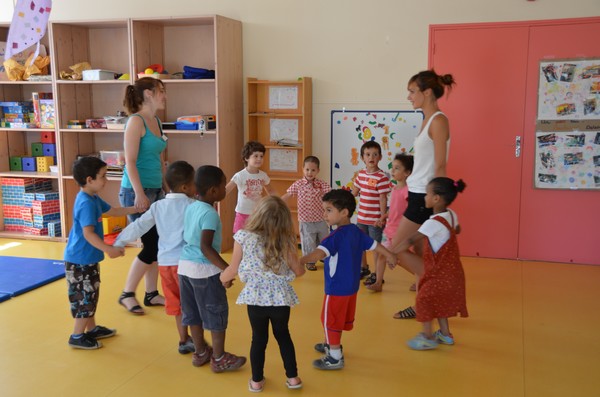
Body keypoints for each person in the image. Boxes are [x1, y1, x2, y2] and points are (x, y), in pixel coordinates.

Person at [300, 189, 397, 370]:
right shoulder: (356, 231)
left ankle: (335, 356)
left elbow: (317, 254)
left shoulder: (334, 237)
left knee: (329, 320)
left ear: (344, 212)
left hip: (336, 289)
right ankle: (330, 343)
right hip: (351, 288)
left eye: (329, 210)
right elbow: (375, 245)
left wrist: (300, 260)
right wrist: (390, 255)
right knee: (335, 319)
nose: (324, 214)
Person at [390, 69, 456, 320]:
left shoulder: (439, 120)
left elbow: (440, 165)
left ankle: (436, 282)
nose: (409, 97)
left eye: (412, 91)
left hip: (424, 198)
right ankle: (423, 304)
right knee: (419, 253)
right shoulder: (427, 119)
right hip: (416, 193)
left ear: (427, 92)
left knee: (395, 249)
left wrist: (436, 202)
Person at [221, 196, 305, 392]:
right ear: (283, 219)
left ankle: (256, 381)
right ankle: (293, 378)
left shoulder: (243, 237)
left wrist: (222, 279)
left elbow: (232, 269)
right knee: (283, 336)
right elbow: (299, 271)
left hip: (255, 298)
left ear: (257, 214)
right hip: (280, 299)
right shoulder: (284, 241)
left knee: (258, 339)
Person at [114, 161, 197, 354]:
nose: (196, 187)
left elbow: (138, 226)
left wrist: (119, 241)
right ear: (185, 187)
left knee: (177, 305)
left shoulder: (158, 206)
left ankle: (184, 340)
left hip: (166, 265)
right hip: (186, 265)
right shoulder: (193, 205)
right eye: (194, 183)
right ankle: (198, 343)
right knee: (192, 305)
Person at [64, 156, 138, 349]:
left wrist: (137, 208)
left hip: (86, 259)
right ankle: (77, 336)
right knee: (85, 298)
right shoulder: (86, 203)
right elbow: (88, 234)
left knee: (90, 294)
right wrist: (109, 249)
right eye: (103, 176)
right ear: (90, 180)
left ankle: (91, 329)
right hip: (79, 260)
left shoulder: (93, 198)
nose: (106, 180)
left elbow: (112, 211)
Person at [178, 165, 246, 372]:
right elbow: (205, 246)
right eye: (222, 185)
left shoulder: (191, 207)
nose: (225, 188)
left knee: (193, 314)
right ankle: (219, 358)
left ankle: (200, 353)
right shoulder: (210, 214)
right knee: (215, 313)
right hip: (204, 272)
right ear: (213, 191)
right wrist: (228, 269)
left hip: (185, 268)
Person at [390, 177, 468, 350]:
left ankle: (427, 336)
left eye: (427, 194)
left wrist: (391, 253)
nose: (424, 197)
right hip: (453, 271)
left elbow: (410, 239)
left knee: (424, 299)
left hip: (438, 272)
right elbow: (458, 229)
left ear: (436, 199)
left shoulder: (432, 223)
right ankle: (445, 335)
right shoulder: (452, 215)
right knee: (438, 302)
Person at [118, 77, 169, 315]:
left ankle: (151, 293)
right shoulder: (135, 122)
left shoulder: (156, 120)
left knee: (156, 244)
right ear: (148, 93)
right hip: (136, 192)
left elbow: (159, 160)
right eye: (161, 91)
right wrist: (139, 193)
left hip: (156, 190)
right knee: (152, 245)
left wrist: (165, 187)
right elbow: (129, 161)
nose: (164, 96)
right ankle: (127, 293)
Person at [364, 154, 413, 292]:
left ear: (407, 173)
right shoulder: (395, 189)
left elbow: (410, 211)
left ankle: (420, 276)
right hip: (389, 230)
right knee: (381, 255)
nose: (393, 171)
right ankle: (378, 282)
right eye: (393, 167)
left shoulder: (407, 191)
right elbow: (394, 209)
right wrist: (383, 216)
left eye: (397, 168)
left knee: (400, 259)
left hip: (399, 232)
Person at [282, 155, 331, 271]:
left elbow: (331, 195)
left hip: (320, 219)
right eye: (307, 169)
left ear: (318, 171)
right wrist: (275, 202)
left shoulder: (321, 184)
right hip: (306, 221)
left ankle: (324, 257)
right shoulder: (298, 184)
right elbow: (287, 195)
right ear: (303, 169)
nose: (310, 172)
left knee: (324, 239)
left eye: (313, 170)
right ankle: (310, 261)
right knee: (308, 242)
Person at [351, 140, 391, 279]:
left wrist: (382, 217)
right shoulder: (360, 175)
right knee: (360, 244)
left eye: (375, 154)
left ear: (380, 157)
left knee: (376, 247)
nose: (371, 157)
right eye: (368, 154)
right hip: (361, 218)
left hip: (375, 220)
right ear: (362, 157)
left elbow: (383, 198)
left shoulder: (382, 177)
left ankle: (377, 273)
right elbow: (354, 193)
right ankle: (364, 268)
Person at [226, 141, 275, 234]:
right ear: (246, 158)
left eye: (261, 156)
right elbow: (227, 189)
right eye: (255, 156)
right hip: (242, 213)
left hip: (257, 213)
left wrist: (278, 203)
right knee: (240, 238)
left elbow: (271, 191)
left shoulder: (263, 175)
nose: (259, 159)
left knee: (257, 238)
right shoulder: (240, 175)